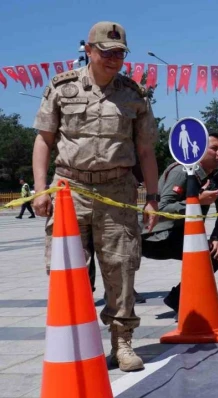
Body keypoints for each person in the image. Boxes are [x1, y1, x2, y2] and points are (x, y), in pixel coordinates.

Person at [31, 21, 159, 372]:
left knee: (122, 268)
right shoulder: (61, 87)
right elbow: (43, 140)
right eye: (107, 52)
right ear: (88, 50)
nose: (114, 59)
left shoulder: (134, 95)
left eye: (119, 53)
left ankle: (123, 343)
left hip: (117, 190)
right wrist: (41, 189)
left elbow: (146, 151)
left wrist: (152, 197)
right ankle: (77, 343)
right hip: (69, 190)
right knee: (68, 271)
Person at [142, 132, 218, 314]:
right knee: (206, 256)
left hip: (181, 235)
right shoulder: (181, 171)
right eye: (214, 148)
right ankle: (184, 303)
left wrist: (217, 238)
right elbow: (162, 209)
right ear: (198, 150)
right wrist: (196, 201)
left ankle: (178, 300)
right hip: (156, 237)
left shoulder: (215, 177)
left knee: (213, 254)